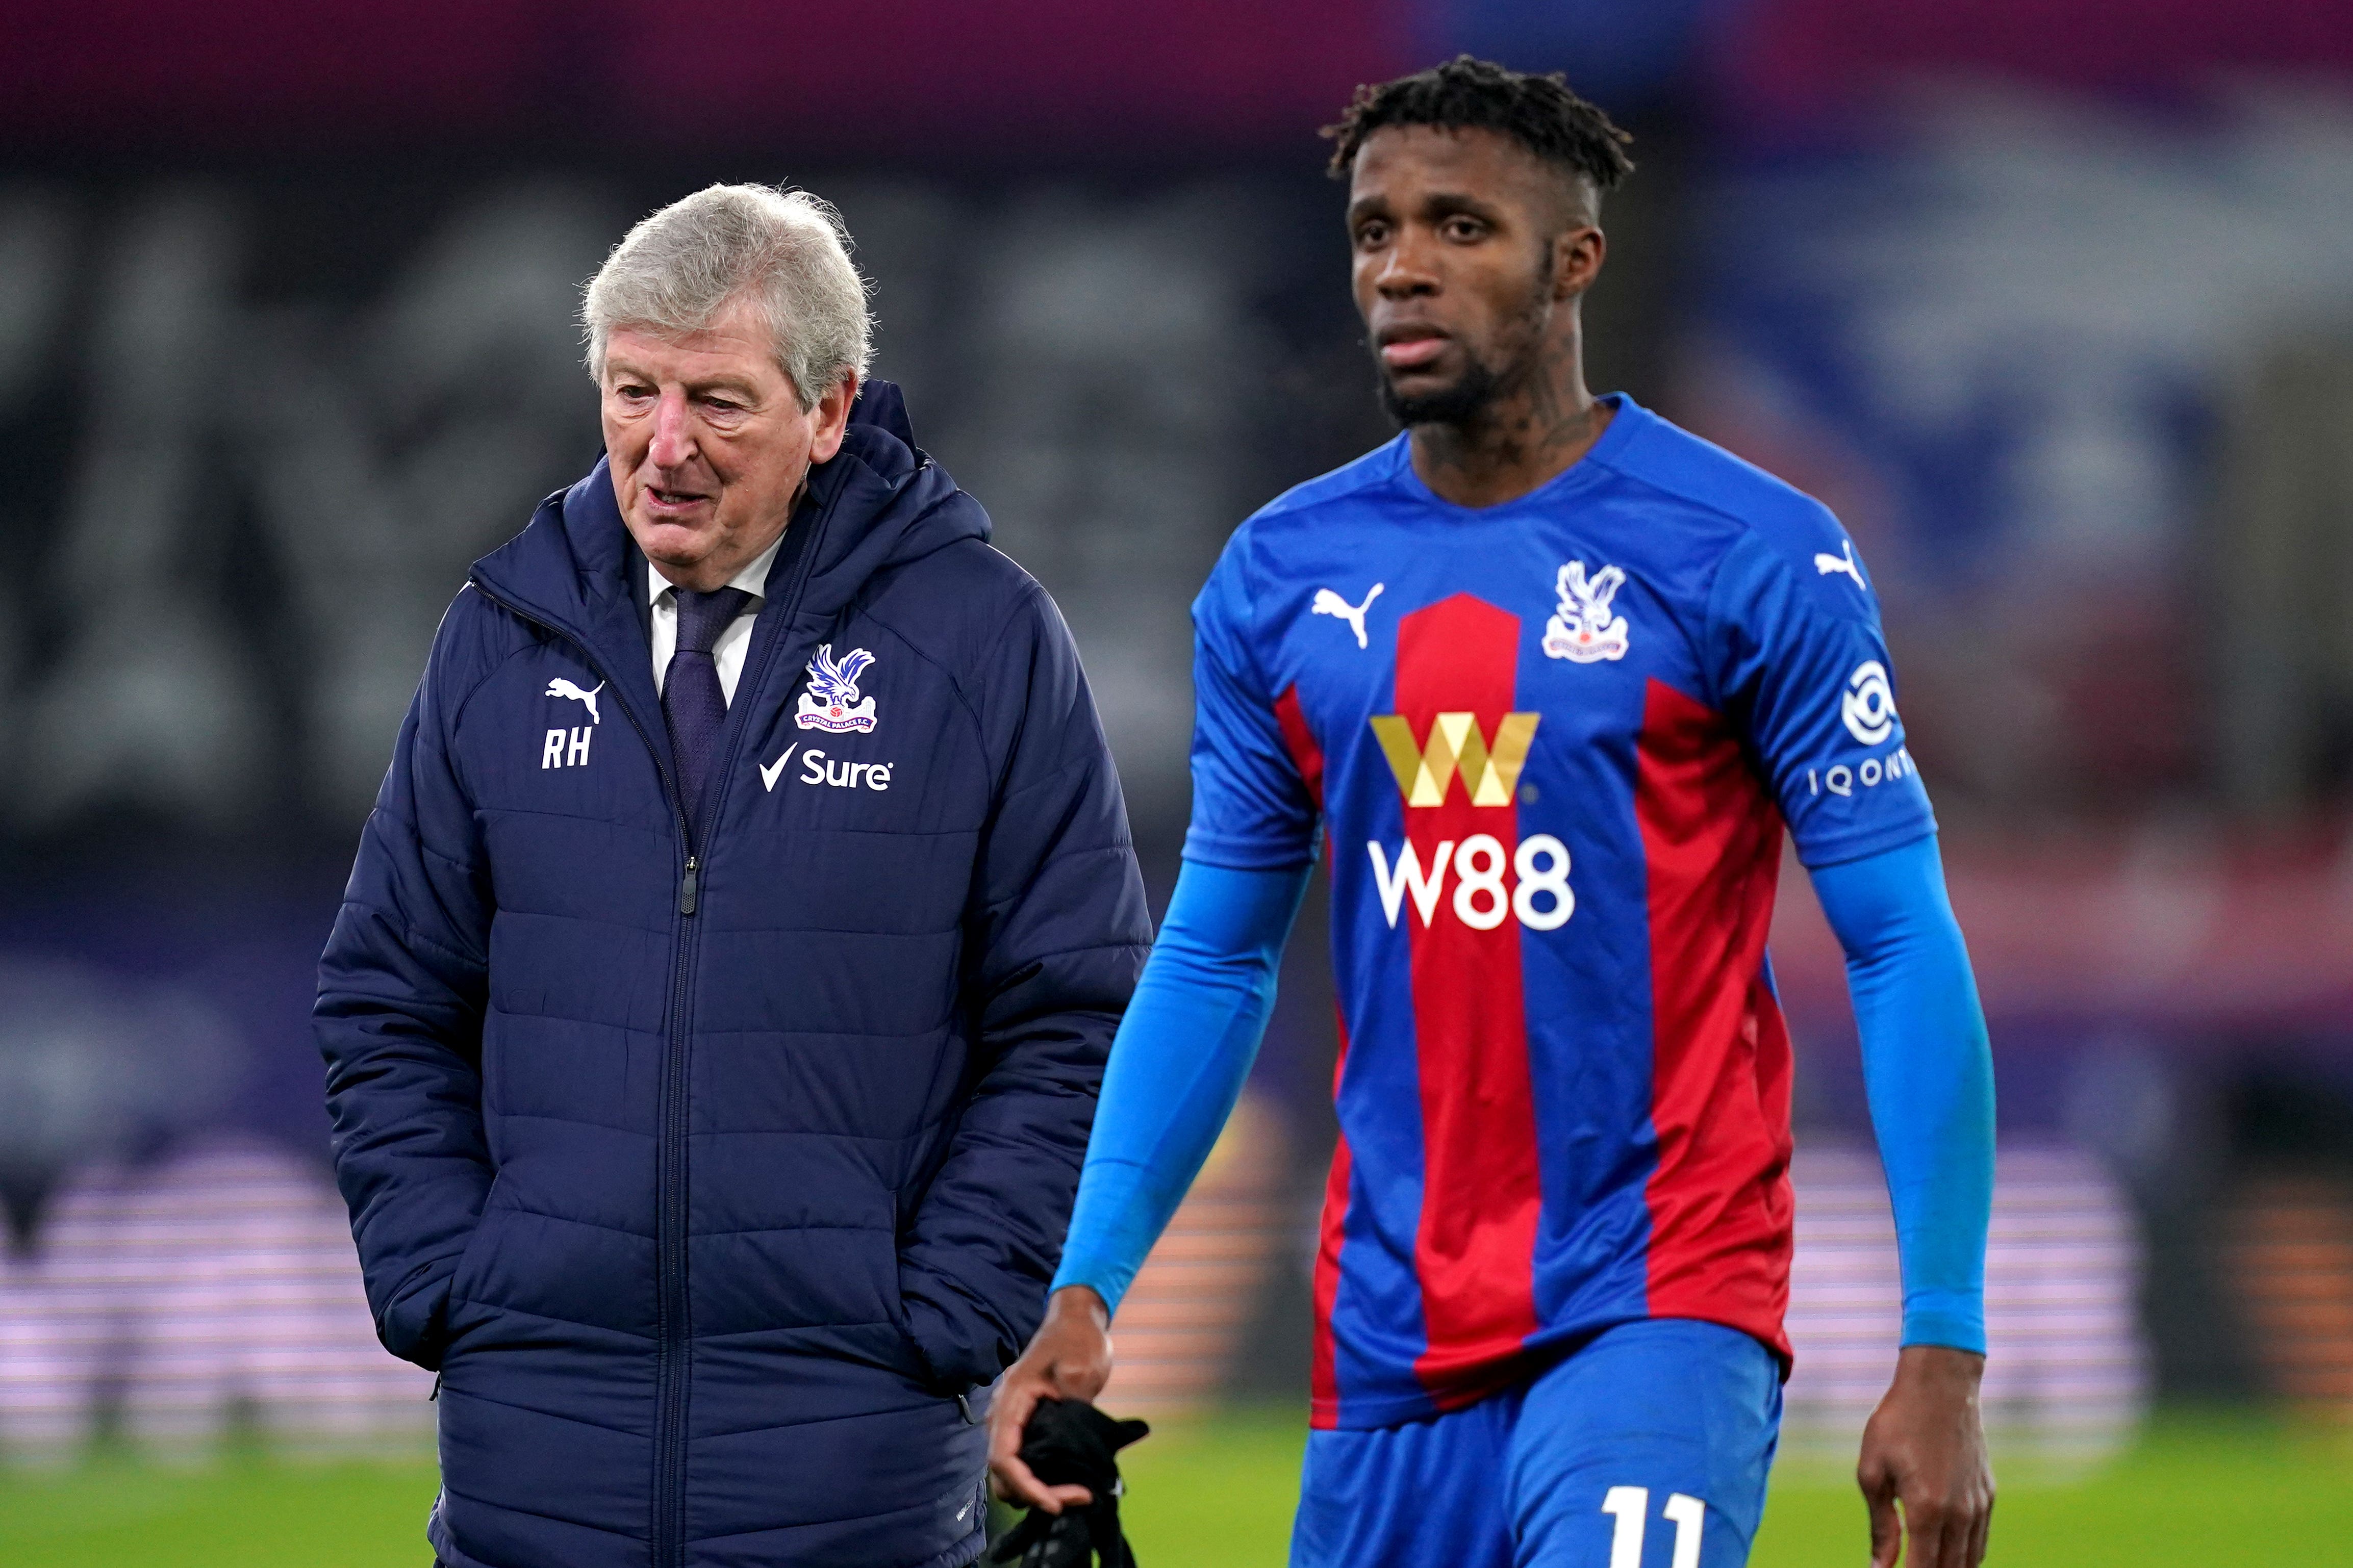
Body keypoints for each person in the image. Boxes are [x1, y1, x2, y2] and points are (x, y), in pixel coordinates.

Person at [989, 58, 1997, 1568]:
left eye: (1461, 227)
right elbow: (1214, 956)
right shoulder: (1280, 578)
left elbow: (1900, 937)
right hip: (1389, 1343)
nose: (1402, 266)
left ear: (1572, 261)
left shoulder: (1751, 552)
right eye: (1376, 228)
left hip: (1659, 1304)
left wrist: (1944, 1349)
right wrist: (1086, 1286)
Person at [318, 183, 1151, 1568]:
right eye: (632, 390)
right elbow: (386, 988)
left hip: (855, 1463)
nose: (663, 446)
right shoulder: (499, 637)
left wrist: (947, 1309)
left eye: (718, 401)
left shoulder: (984, 640)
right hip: (534, 1452)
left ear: (829, 411)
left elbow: (1073, 1008)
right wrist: (446, 1279)